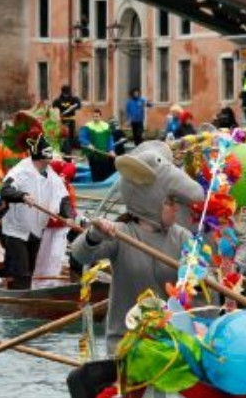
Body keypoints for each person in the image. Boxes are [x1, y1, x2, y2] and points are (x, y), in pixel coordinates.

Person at [69, 141, 206, 353]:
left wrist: (214, 278)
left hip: (170, 344)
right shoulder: (121, 233)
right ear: (151, 200)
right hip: (126, 344)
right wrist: (94, 235)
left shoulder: (182, 237)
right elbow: (80, 255)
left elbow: (203, 284)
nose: (176, 207)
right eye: (170, 201)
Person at [0, 135, 71, 290]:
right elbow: (5, 190)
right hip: (16, 230)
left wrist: (68, 216)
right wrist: (22, 196)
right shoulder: (20, 171)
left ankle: (24, 296)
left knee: (31, 269)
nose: (52, 161)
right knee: (21, 270)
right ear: (39, 156)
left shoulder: (51, 174)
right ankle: (18, 299)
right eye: (48, 157)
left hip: (37, 229)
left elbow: (63, 197)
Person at [79, 109, 117, 183]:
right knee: (95, 174)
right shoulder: (87, 126)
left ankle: (104, 187)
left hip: (105, 155)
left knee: (106, 173)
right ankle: (95, 186)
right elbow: (82, 137)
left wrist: (111, 150)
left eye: (97, 116)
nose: (95, 118)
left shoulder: (106, 126)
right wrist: (88, 144)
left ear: (100, 116)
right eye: (94, 116)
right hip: (93, 155)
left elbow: (110, 139)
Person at [53, 84, 82, 154]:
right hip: (62, 121)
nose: (66, 95)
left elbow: (78, 105)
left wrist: (74, 107)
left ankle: (70, 150)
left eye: (67, 93)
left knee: (70, 136)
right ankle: (64, 150)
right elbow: (54, 109)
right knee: (63, 136)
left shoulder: (73, 99)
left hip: (71, 120)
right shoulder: (58, 100)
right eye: (65, 93)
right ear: (62, 92)